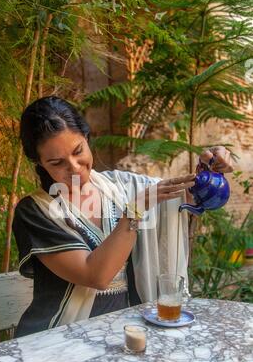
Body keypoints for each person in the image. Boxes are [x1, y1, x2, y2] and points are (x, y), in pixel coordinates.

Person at [12, 96, 233, 337]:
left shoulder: (119, 187)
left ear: (87, 138)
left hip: (118, 333)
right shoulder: (36, 211)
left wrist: (208, 173)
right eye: (57, 162)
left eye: (78, 151)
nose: (74, 167)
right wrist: (134, 212)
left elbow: (192, 197)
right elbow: (96, 276)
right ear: (40, 163)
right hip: (59, 338)